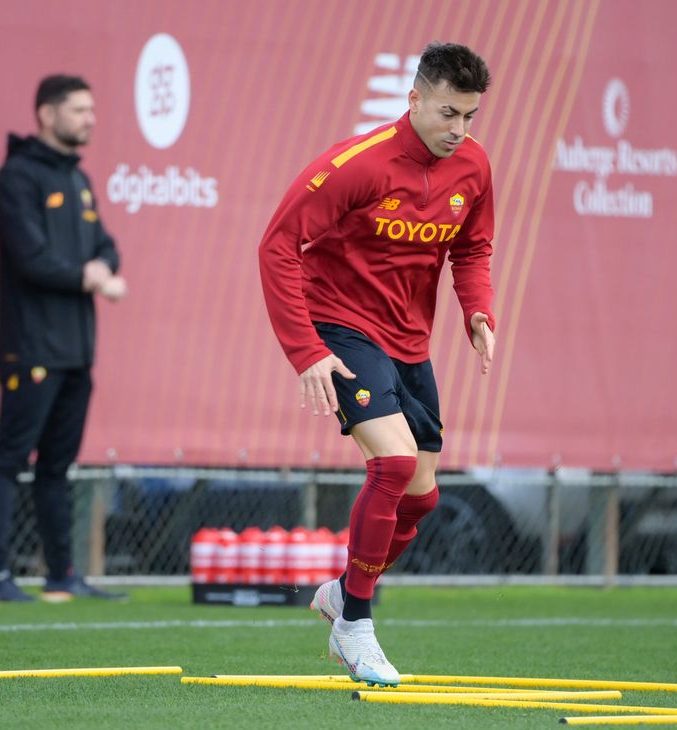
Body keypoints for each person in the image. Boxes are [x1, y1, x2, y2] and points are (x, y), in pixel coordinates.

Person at [258, 42, 496, 685]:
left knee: (421, 501)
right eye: (448, 112)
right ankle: (356, 627)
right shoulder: (355, 166)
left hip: (409, 344)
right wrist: (307, 351)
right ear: (414, 99)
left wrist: (478, 312)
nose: (459, 129)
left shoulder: (473, 167)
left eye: (470, 116)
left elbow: (472, 250)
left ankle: (341, 591)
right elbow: (278, 246)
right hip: (341, 327)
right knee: (391, 464)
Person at [0, 74, 128, 603]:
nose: (90, 119)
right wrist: (89, 276)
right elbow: (30, 259)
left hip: (75, 351)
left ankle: (62, 576)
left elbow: (108, 248)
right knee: (9, 459)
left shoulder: (79, 180)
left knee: (58, 468)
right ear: (46, 113)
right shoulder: (16, 178)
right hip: (32, 347)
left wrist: (101, 266)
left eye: (91, 109)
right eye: (79, 110)